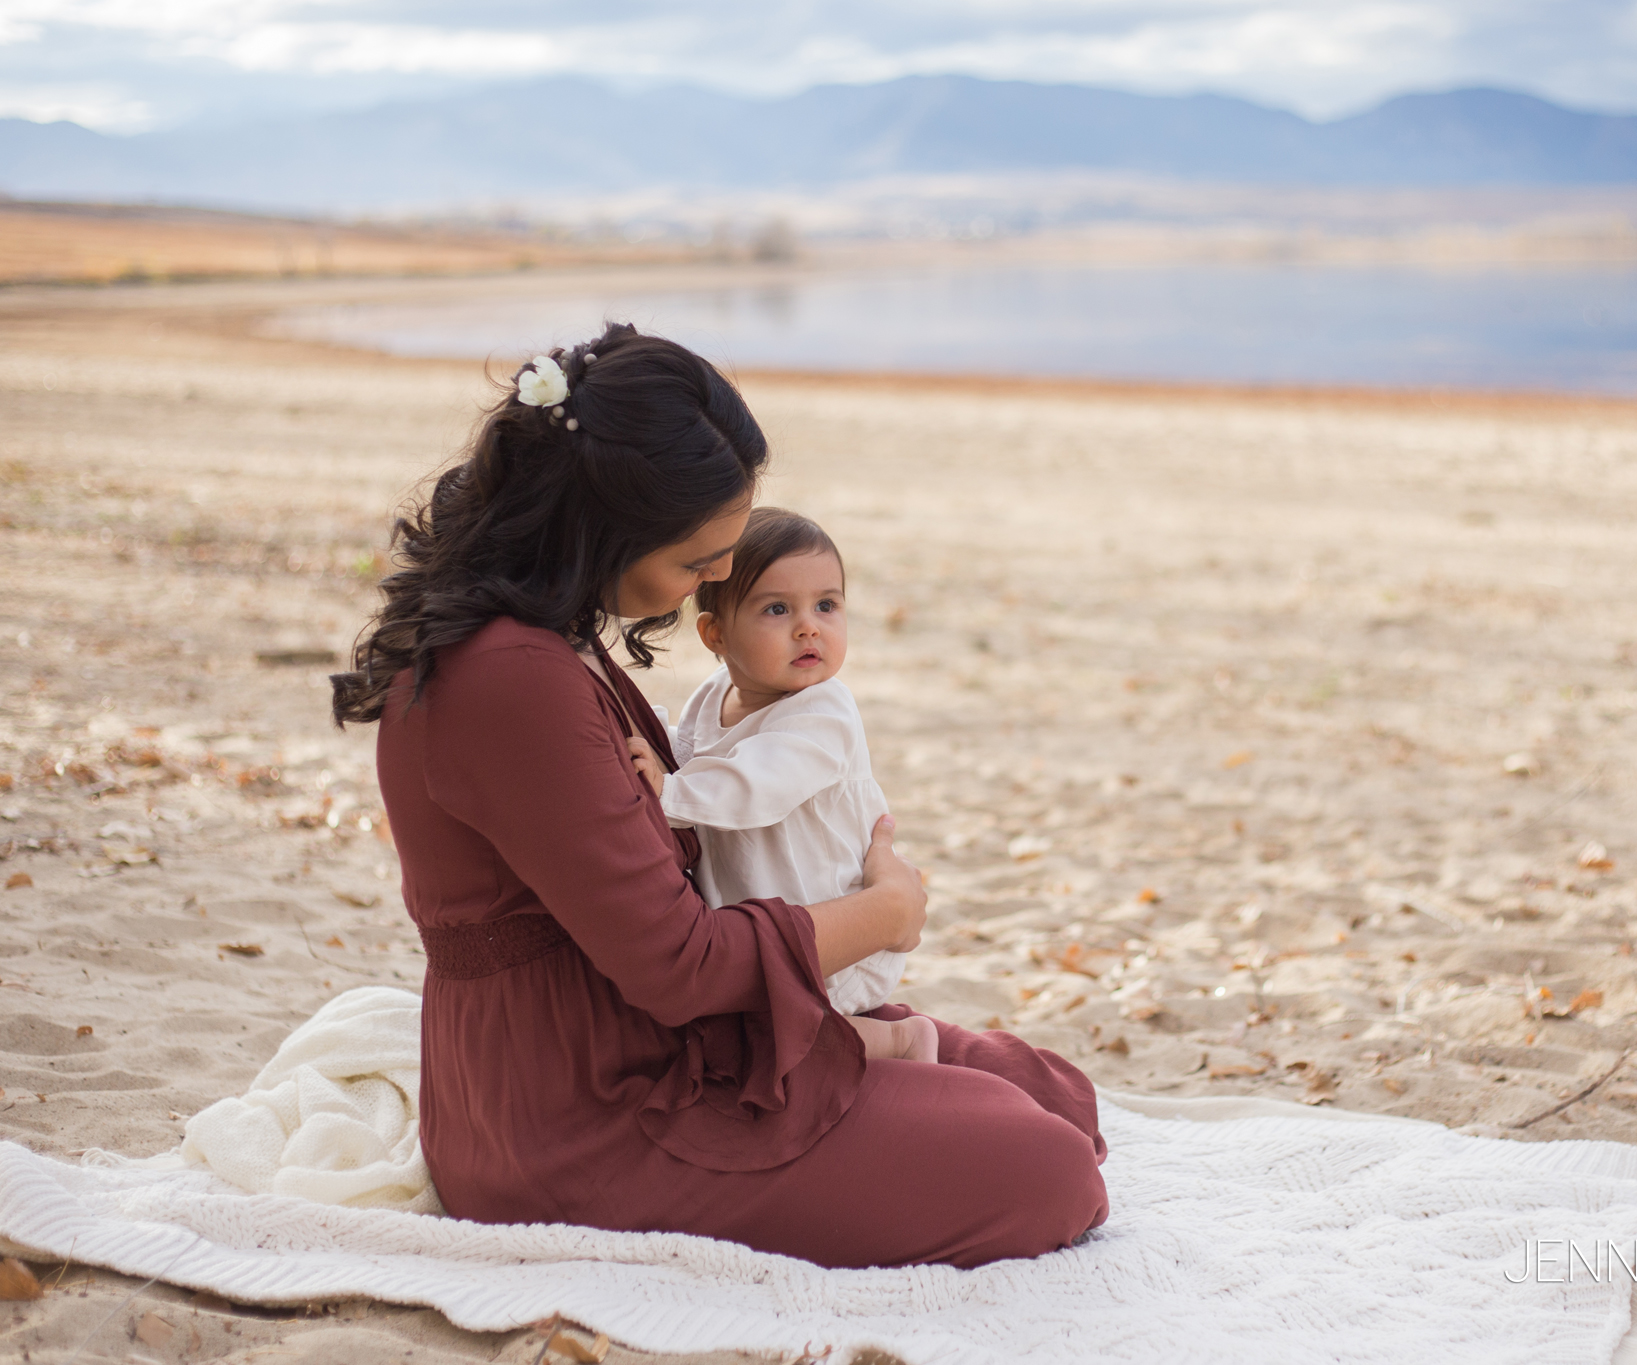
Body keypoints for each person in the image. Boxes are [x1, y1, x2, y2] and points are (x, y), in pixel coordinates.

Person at [331, 323, 1107, 1268]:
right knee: (1052, 1170)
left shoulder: (533, 636)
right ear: (610, 525)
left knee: (1051, 1092)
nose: (714, 580)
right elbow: (679, 964)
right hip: (580, 1117)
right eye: (701, 560)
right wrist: (885, 911)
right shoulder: (512, 677)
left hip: (634, 1043)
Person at [622, 507, 936, 1066]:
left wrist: (669, 793)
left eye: (827, 605)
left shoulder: (824, 711)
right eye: (776, 609)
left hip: (836, 929)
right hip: (771, 920)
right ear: (715, 633)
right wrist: (655, 744)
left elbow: (759, 782)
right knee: (751, 1025)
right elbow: (694, 753)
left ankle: (898, 1041)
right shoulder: (714, 695)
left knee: (789, 1030)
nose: (808, 626)